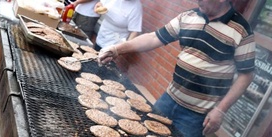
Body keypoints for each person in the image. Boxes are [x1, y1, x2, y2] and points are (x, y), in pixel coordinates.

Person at [98, 0, 255, 137]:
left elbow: (246, 76)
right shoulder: (189, 16)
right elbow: (154, 38)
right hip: (169, 98)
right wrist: (117, 49)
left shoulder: (241, 31)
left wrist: (220, 110)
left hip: (198, 114)